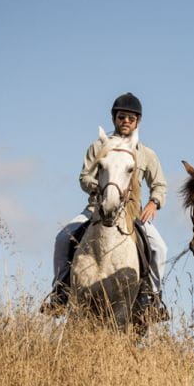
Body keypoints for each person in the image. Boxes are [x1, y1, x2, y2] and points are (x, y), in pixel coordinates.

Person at [42, 92, 169, 320]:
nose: (126, 121)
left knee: (159, 248)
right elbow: (84, 177)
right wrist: (102, 188)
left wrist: (154, 202)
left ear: (137, 122)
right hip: (96, 208)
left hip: (132, 213)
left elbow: (159, 184)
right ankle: (60, 293)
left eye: (131, 118)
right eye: (121, 117)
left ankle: (151, 299)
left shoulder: (147, 154)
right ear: (114, 119)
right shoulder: (98, 147)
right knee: (62, 238)